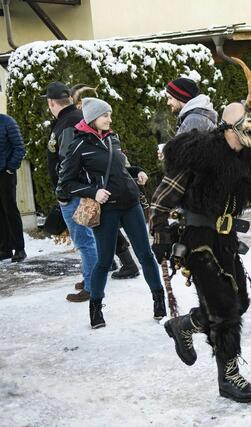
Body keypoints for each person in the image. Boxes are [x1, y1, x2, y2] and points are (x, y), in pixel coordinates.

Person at [150, 91, 251, 402]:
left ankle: (185, 325)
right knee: (225, 312)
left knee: (239, 302)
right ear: (230, 127)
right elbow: (161, 199)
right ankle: (228, 377)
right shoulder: (199, 155)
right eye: (249, 124)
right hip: (197, 241)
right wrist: (161, 237)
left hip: (226, 242)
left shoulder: (247, 162)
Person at [57, 98, 166, 329]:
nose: (110, 119)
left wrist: (137, 172)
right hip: (106, 211)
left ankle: (159, 301)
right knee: (104, 261)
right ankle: (96, 308)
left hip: (131, 204)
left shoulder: (112, 138)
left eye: (110, 114)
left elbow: (120, 168)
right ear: (92, 118)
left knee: (146, 255)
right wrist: (93, 192)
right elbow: (65, 183)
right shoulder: (78, 145)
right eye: (105, 115)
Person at [70, 83, 139, 280]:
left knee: (101, 226)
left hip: (99, 189)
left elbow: (117, 159)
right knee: (104, 227)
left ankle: (111, 268)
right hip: (99, 188)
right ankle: (116, 262)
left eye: (79, 102)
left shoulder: (91, 127)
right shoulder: (91, 127)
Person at [44, 81, 96, 302]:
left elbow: (67, 162)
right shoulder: (73, 118)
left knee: (84, 241)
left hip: (72, 192)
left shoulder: (67, 122)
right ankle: (90, 277)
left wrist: (63, 192)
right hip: (78, 189)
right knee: (87, 239)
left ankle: (92, 287)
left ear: (51, 102)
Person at [0, 113, 26, 263]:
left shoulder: (7, 122)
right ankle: (5, 249)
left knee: (9, 209)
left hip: (5, 173)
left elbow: (19, 147)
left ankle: (19, 248)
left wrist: (10, 168)